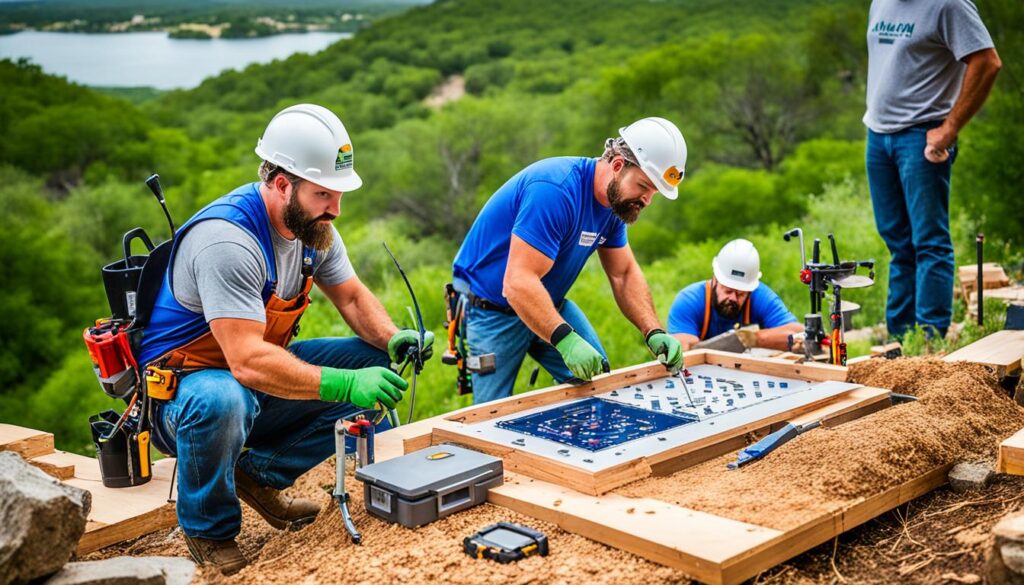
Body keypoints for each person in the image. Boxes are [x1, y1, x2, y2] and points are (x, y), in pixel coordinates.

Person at [137, 104, 434, 574]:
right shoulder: (228, 242)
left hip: (252, 382)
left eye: (338, 195)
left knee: (375, 365)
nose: (334, 210)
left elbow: (353, 298)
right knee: (221, 399)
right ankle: (208, 531)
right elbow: (247, 362)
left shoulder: (313, 231)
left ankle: (259, 476)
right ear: (281, 184)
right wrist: (342, 386)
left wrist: (393, 337)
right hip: (186, 394)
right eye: (323, 195)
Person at [451, 117, 686, 404]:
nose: (647, 200)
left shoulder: (615, 204)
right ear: (617, 166)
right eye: (643, 186)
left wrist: (654, 331)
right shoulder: (555, 190)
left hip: (548, 302)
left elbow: (623, 274)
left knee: (599, 385)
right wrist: (566, 339)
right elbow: (517, 283)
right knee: (492, 412)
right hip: (493, 311)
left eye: (654, 193)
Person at [864, 0, 1001, 338]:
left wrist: (950, 129)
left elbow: (987, 62)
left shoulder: (948, 4)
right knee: (898, 243)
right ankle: (900, 338)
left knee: (929, 242)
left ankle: (929, 339)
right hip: (878, 136)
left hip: (921, 136)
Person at [667, 239, 802, 351]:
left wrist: (753, 338)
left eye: (740, 293)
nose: (733, 298)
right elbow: (680, 347)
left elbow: (798, 334)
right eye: (728, 290)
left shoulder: (760, 296)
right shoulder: (689, 300)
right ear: (715, 278)